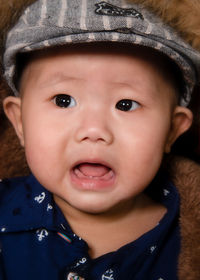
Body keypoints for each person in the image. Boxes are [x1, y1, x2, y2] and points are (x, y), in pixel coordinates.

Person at [0, 0, 200, 279]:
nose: (94, 130)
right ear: (20, 123)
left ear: (171, 130)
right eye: (63, 100)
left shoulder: (187, 236)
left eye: (126, 104)